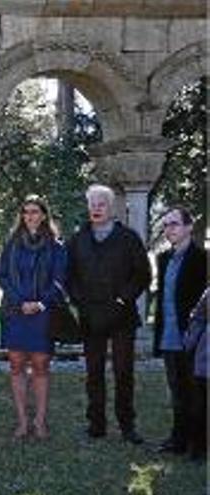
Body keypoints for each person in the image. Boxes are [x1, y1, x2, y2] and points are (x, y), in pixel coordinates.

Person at [66, 184, 150, 444]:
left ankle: (127, 425)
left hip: (121, 316)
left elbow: (143, 274)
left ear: (111, 208)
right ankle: (96, 425)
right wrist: (80, 301)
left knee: (124, 373)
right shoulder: (78, 239)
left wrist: (123, 298)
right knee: (94, 372)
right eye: (92, 204)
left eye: (101, 204)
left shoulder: (128, 238)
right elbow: (69, 277)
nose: (96, 209)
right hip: (91, 317)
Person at [0, 196, 66, 439]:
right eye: (25, 212)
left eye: (35, 211)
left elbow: (59, 281)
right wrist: (20, 301)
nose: (30, 216)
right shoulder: (12, 244)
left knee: (40, 366)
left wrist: (39, 303)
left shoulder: (55, 246)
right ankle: (22, 421)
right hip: (15, 312)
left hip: (42, 314)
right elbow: (3, 277)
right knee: (16, 365)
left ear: (44, 215)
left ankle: (39, 420)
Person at [152, 207, 206, 455]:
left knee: (196, 393)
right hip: (169, 336)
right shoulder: (163, 258)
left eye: (173, 224)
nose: (168, 230)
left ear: (188, 227)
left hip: (194, 337)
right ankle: (178, 440)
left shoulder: (202, 259)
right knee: (176, 392)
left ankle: (199, 445)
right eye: (165, 225)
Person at [184, 287, 209, 461]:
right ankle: (198, 447)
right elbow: (198, 317)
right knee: (201, 406)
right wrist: (190, 342)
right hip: (205, 358)